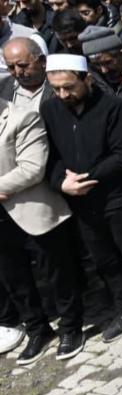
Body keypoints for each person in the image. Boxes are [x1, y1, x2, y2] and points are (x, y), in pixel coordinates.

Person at [41, 53, 122, 342]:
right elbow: (50, 155)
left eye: (69, 87)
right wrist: (62, 183)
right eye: (56, 88)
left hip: (115, 196)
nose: (63, 94)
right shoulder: (50, 109)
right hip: (80, 201)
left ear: (87, 79)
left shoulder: (113, 107)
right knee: (104, 259)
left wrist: (87, 178)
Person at [0, 92, 84, 363]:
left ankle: (71, 328)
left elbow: (32, 168)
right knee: (15, 280)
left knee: (57, 274)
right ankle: (38, 330)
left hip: (33, 211)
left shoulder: (22, 117)